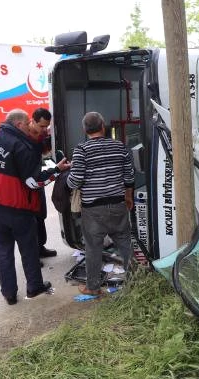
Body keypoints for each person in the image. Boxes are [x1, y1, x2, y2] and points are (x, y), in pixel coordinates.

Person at [0, 109, 71, 305]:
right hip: (17, 209)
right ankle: (34, 287)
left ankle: (9, 294)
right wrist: (56, 171)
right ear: (20, 124)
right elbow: (34, 183)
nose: (30, 127)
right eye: (28, 124)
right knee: (28, 248)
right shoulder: (22, 146)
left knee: (2, 250)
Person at [67, 111, 135, 296]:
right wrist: (128, 197)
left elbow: (75, 181)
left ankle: (93, 287)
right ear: (103, 127)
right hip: (118, 204)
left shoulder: (81, 150)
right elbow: (129, 176)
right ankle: (137, 280)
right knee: (125, 243)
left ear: (84, 129)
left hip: (93, 209)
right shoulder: (119, 147)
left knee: (93, 248)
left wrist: (70, 174)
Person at [28, 108, 58, 259]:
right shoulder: (24, 137)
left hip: (38, 176)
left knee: (41, 215)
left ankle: (40, 247)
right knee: (30, 220)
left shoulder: (42, 134)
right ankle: (32, 255)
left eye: (46, 126)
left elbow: (46, 153)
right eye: (41, 126)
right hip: (27, 182)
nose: (44, 129)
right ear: (32, 121)